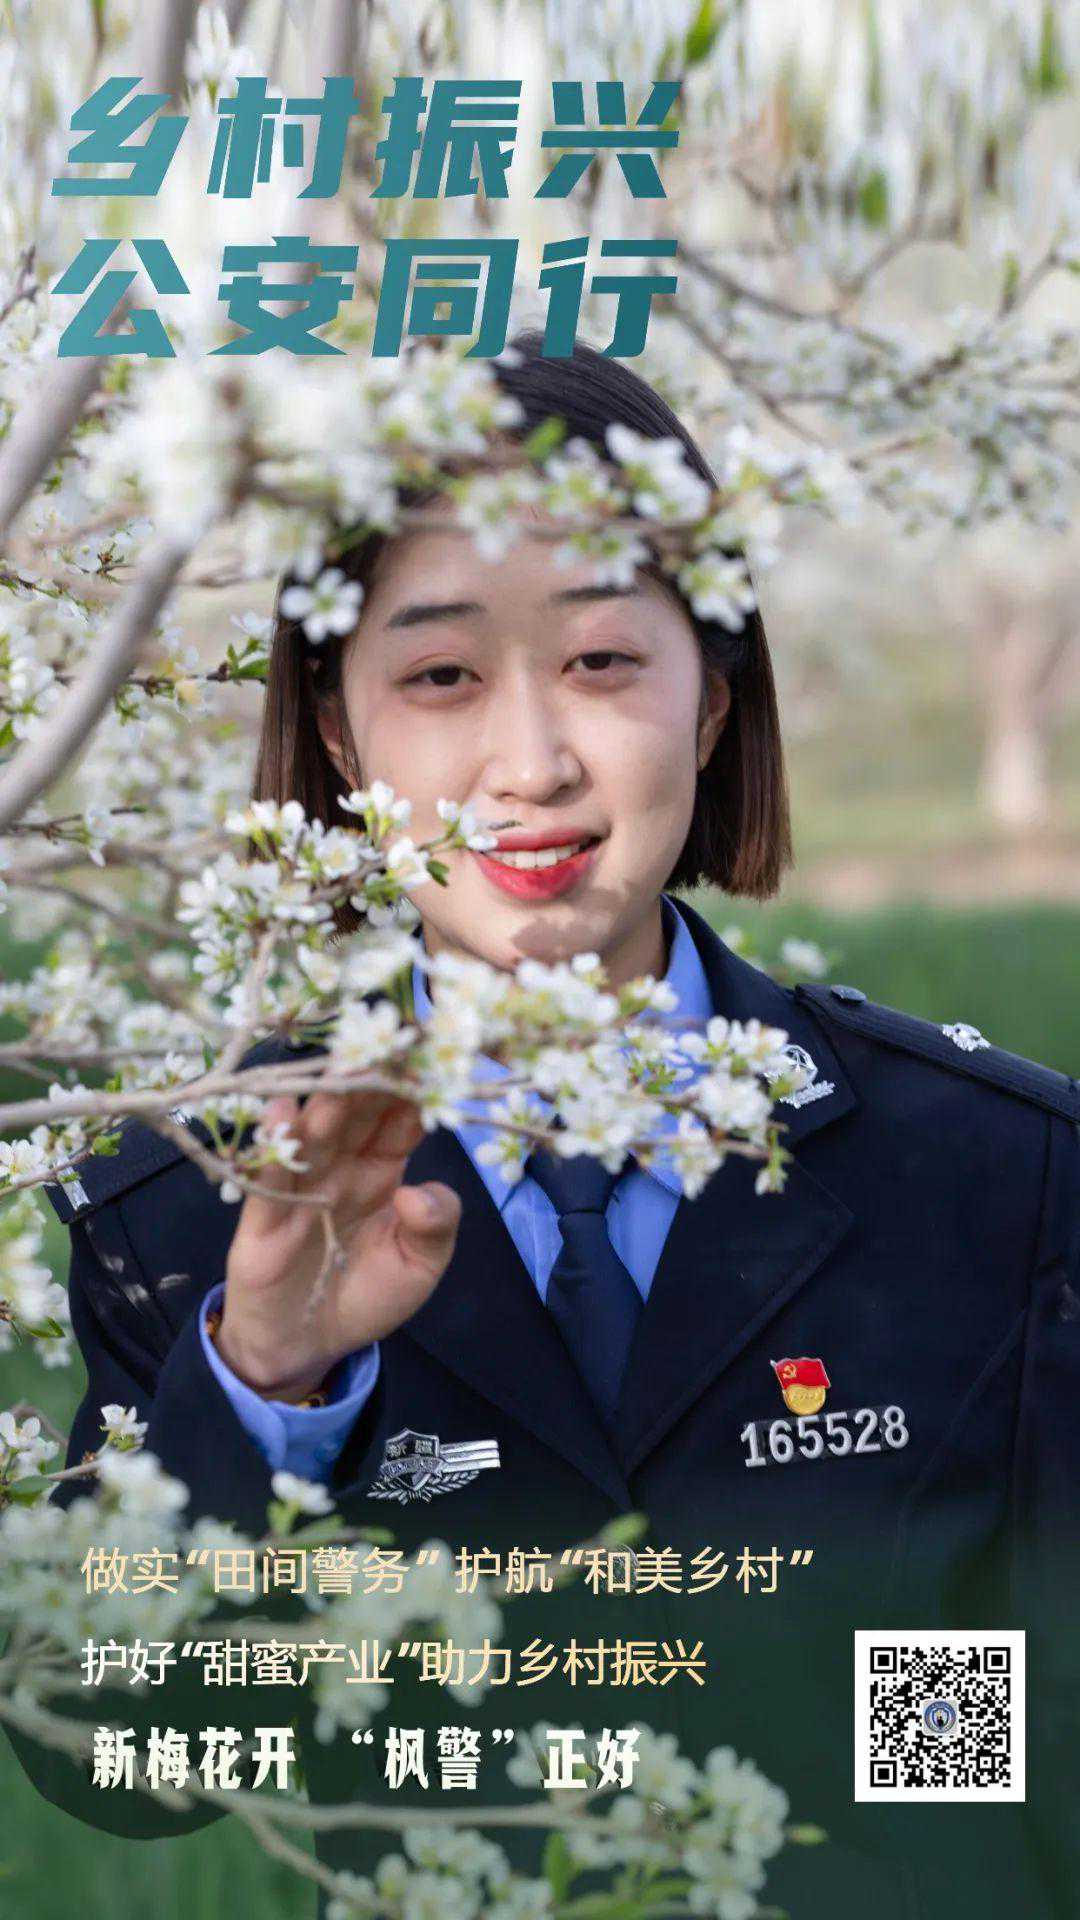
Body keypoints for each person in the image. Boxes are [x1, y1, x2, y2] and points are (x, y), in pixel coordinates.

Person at [5, 334, 1079, 1920]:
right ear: (342, 733)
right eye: (440, 676)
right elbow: (120, 1763)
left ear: (713, 698)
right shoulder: (196, 1204)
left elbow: (1004, 1752)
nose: (532, 765)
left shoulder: (991, 1170)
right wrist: (263, 1380)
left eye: (602, 662)